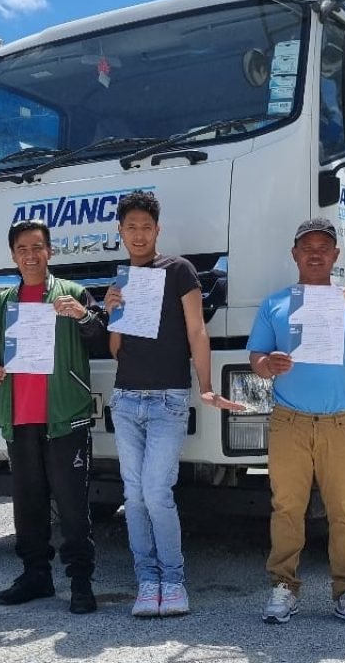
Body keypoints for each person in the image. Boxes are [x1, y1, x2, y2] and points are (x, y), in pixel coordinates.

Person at [103, 190, 243, 618]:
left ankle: (174, 581)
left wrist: (205, 385)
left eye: (146, 227)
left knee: (156, 492)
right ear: (121, 232)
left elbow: (197, 332)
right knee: (133, 492)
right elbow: (115, 350)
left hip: (168, 400)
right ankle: (146, 581)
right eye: (131, 228)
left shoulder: (179, 270)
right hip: (126, 400)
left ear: (157, 230)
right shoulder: (122, 280)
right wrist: (112, 312)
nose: (139, 234)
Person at [247, 217, 345, 631]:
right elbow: (256, 358)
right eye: (306, 246)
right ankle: (283, 588)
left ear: (335, 255)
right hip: (289, 421)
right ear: (294, 254)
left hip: (341, 423)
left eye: (323, 247)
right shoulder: (275, 303)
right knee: (286, 508)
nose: (314, 253)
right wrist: (267, 364)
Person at [0, 219, 108, 615]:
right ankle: (36, 575)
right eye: (22, 249)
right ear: (14, 255)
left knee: (71, 504)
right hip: (19, 418)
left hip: (65, 415)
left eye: (38, 248)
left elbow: (102, 341)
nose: (30, 256)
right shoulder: (3, 304)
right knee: (28, 503)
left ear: (50, 252)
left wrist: (83, 316)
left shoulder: (71, 294)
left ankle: (81, 581)